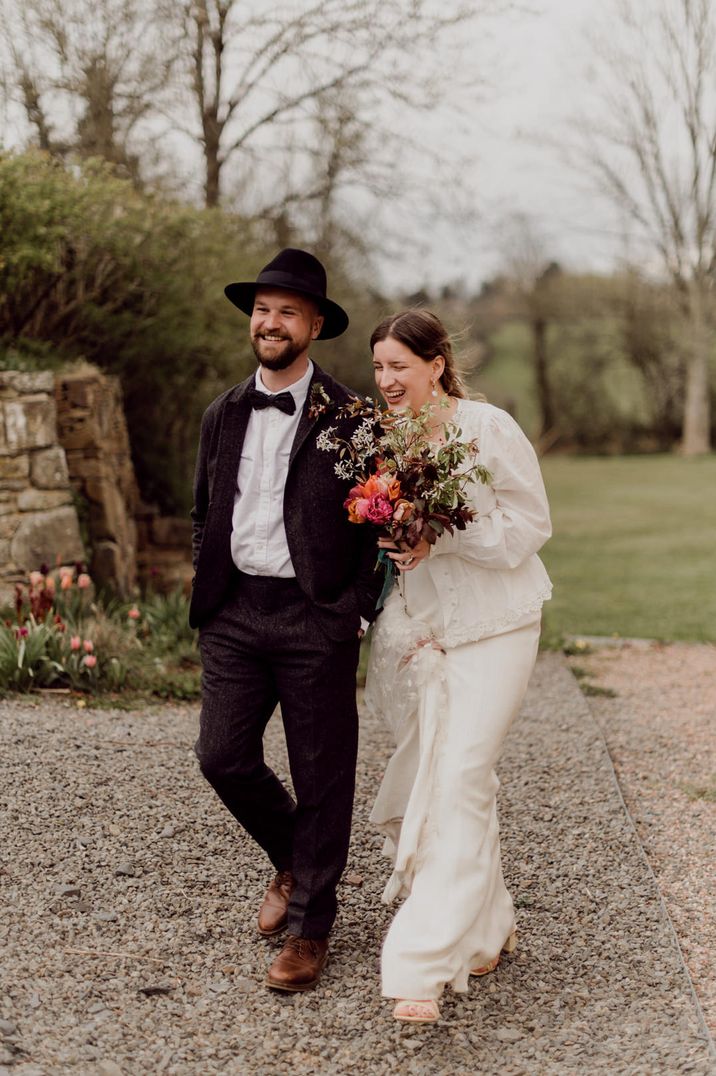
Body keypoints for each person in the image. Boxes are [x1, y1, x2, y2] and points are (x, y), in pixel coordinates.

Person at [189, 248, 383, 993]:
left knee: (322, 775)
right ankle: (296, 860)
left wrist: (353, 608)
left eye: (287, 312)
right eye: (262, 310)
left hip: (315, 618)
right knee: (222, 757)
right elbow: (205, 514)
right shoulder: (223, 413)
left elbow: (378, 524)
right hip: (235, 613)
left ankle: (310, 931)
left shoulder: (351, 418)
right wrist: (210, 584)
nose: (270, 323)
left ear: (313, 327)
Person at [364, 309, 553, 1022]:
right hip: (432, 635)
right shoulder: (390, 441)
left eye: (398, 367)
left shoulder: (487, 429)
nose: (386, 380)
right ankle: (490, 924)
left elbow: (532, 527)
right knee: (454, 774)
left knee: (463, 775)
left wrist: (444, 539)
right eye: (378, 367)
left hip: (500, 622)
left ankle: (419, 961)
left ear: (436, 364)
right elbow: (401, 553)